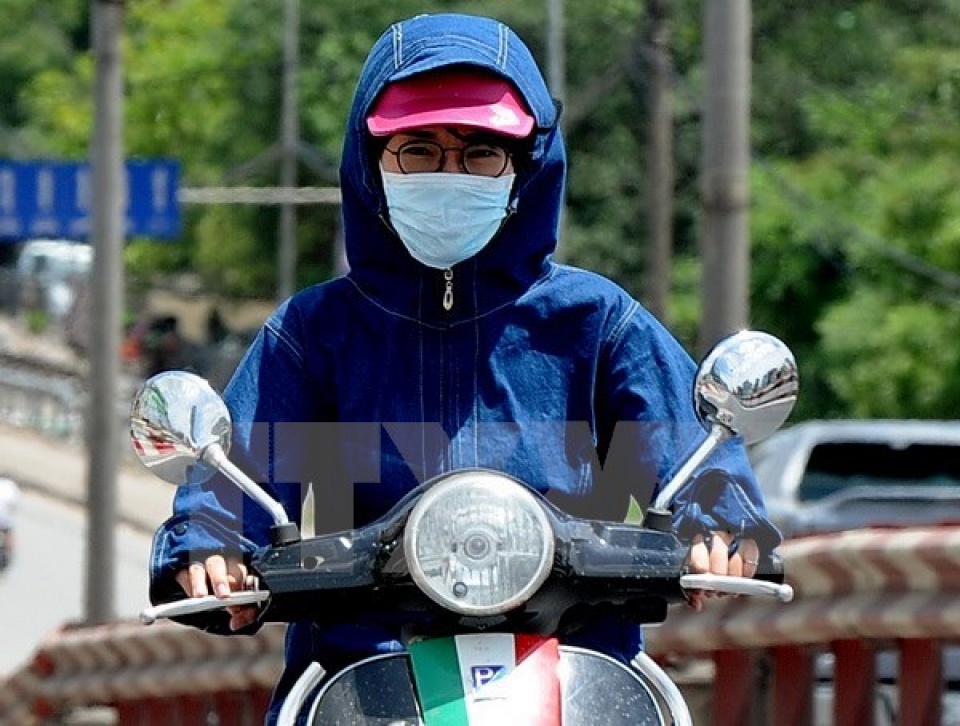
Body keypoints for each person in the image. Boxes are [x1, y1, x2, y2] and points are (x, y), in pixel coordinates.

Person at [148, 12, 781, 723]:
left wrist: (720, 527)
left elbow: (694, 461)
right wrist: (210, 546)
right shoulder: (312, 332)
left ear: (526, 168)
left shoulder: (596, 321)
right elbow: (236, 479)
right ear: (371, 162)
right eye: (418, 150)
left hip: (580, 671)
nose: (450, 173)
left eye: (481, 152)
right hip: (364, 677)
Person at [0, 473, 21, 571]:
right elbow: (12, 509)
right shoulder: (15, 490)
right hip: (3, 515)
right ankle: (7, 557)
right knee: (9, 531)